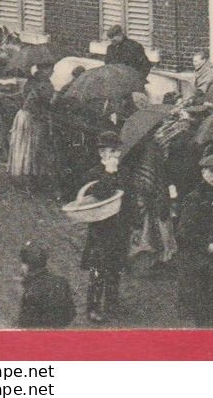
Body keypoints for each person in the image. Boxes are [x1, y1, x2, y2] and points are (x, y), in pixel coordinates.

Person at [77, 132, 134, 323]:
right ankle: (93, 307)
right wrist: (108, 174)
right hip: (101, 231)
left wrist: (132, 223)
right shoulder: (94, 174)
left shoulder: (125, 172)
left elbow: (130, 198)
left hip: (120, 228)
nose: (116, 155)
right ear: (102, 153)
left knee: (116, 267)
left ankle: (112, 302)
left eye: (118, 151)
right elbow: (99, 194)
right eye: (112, 151)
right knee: (98, 270)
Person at [177, 152, 213, 326]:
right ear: (203, 172)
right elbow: (183, 232)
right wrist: (205, 245)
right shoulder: (195, 198)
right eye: (212, 172)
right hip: (199, 257)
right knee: (202, 300)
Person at [7, 63, 56, 193]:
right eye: (50, 69)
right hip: (31, 118)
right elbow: (41, 104)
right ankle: (30, 181)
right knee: (31, 148)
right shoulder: (42, 84)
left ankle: (25, 178)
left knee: (25, 148)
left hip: (24, 116)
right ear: (43, 69)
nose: (52, 72)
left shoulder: (32, 80)